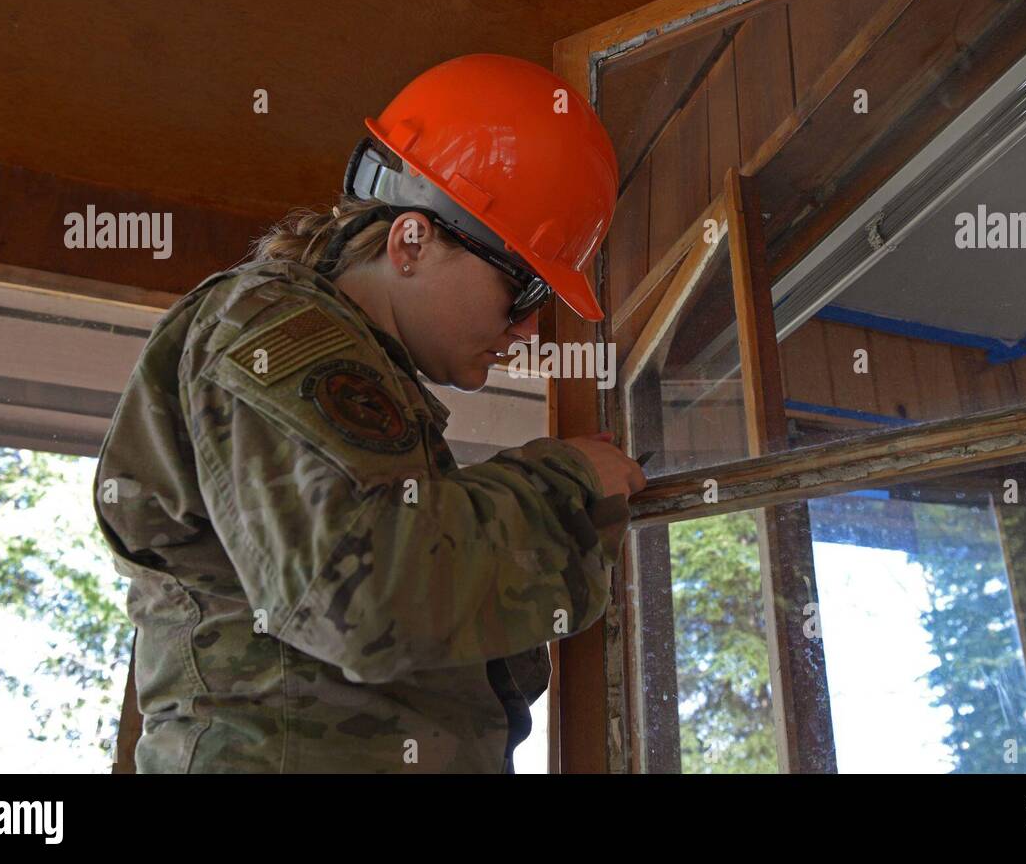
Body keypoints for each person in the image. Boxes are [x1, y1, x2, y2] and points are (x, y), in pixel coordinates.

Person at [93, 53, 647, 773]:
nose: (528, 331)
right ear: (411, 241)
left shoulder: (371, 394)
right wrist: (562, 489)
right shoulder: (270, 323)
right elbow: (357, 593)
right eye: (524, 291)